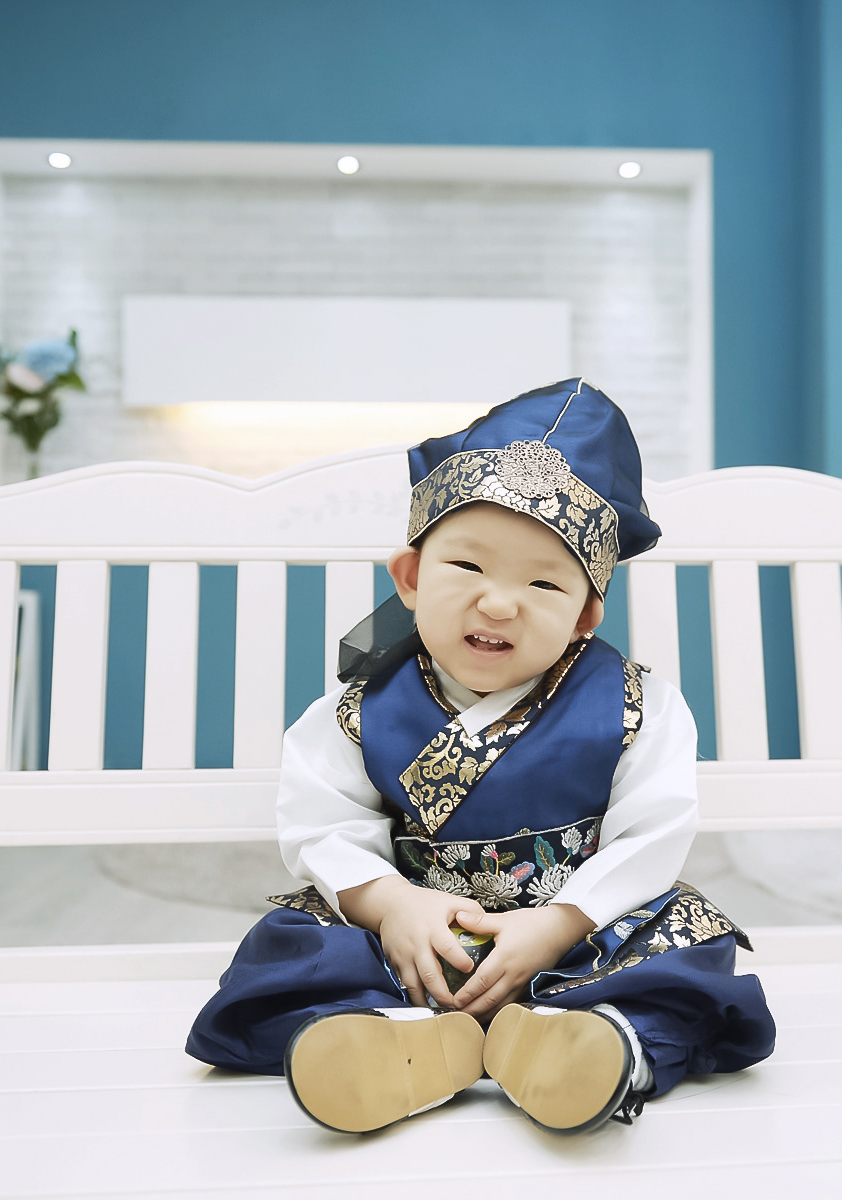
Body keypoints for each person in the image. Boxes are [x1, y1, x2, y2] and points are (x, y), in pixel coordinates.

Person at [186, 379, 775, 1135]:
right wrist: (394, 907)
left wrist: (558, 925)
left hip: (576, 942)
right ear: (409, 577)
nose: (498, 603)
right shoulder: (357, 712)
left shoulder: (638, 706)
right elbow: (323, 827)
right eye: (468, 568)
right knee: (295, 951)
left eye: (543, 581)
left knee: (685, 952)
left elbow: (651, 837)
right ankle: (406, 1043)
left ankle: (598, 1045)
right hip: (418, 943)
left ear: (584, 616)